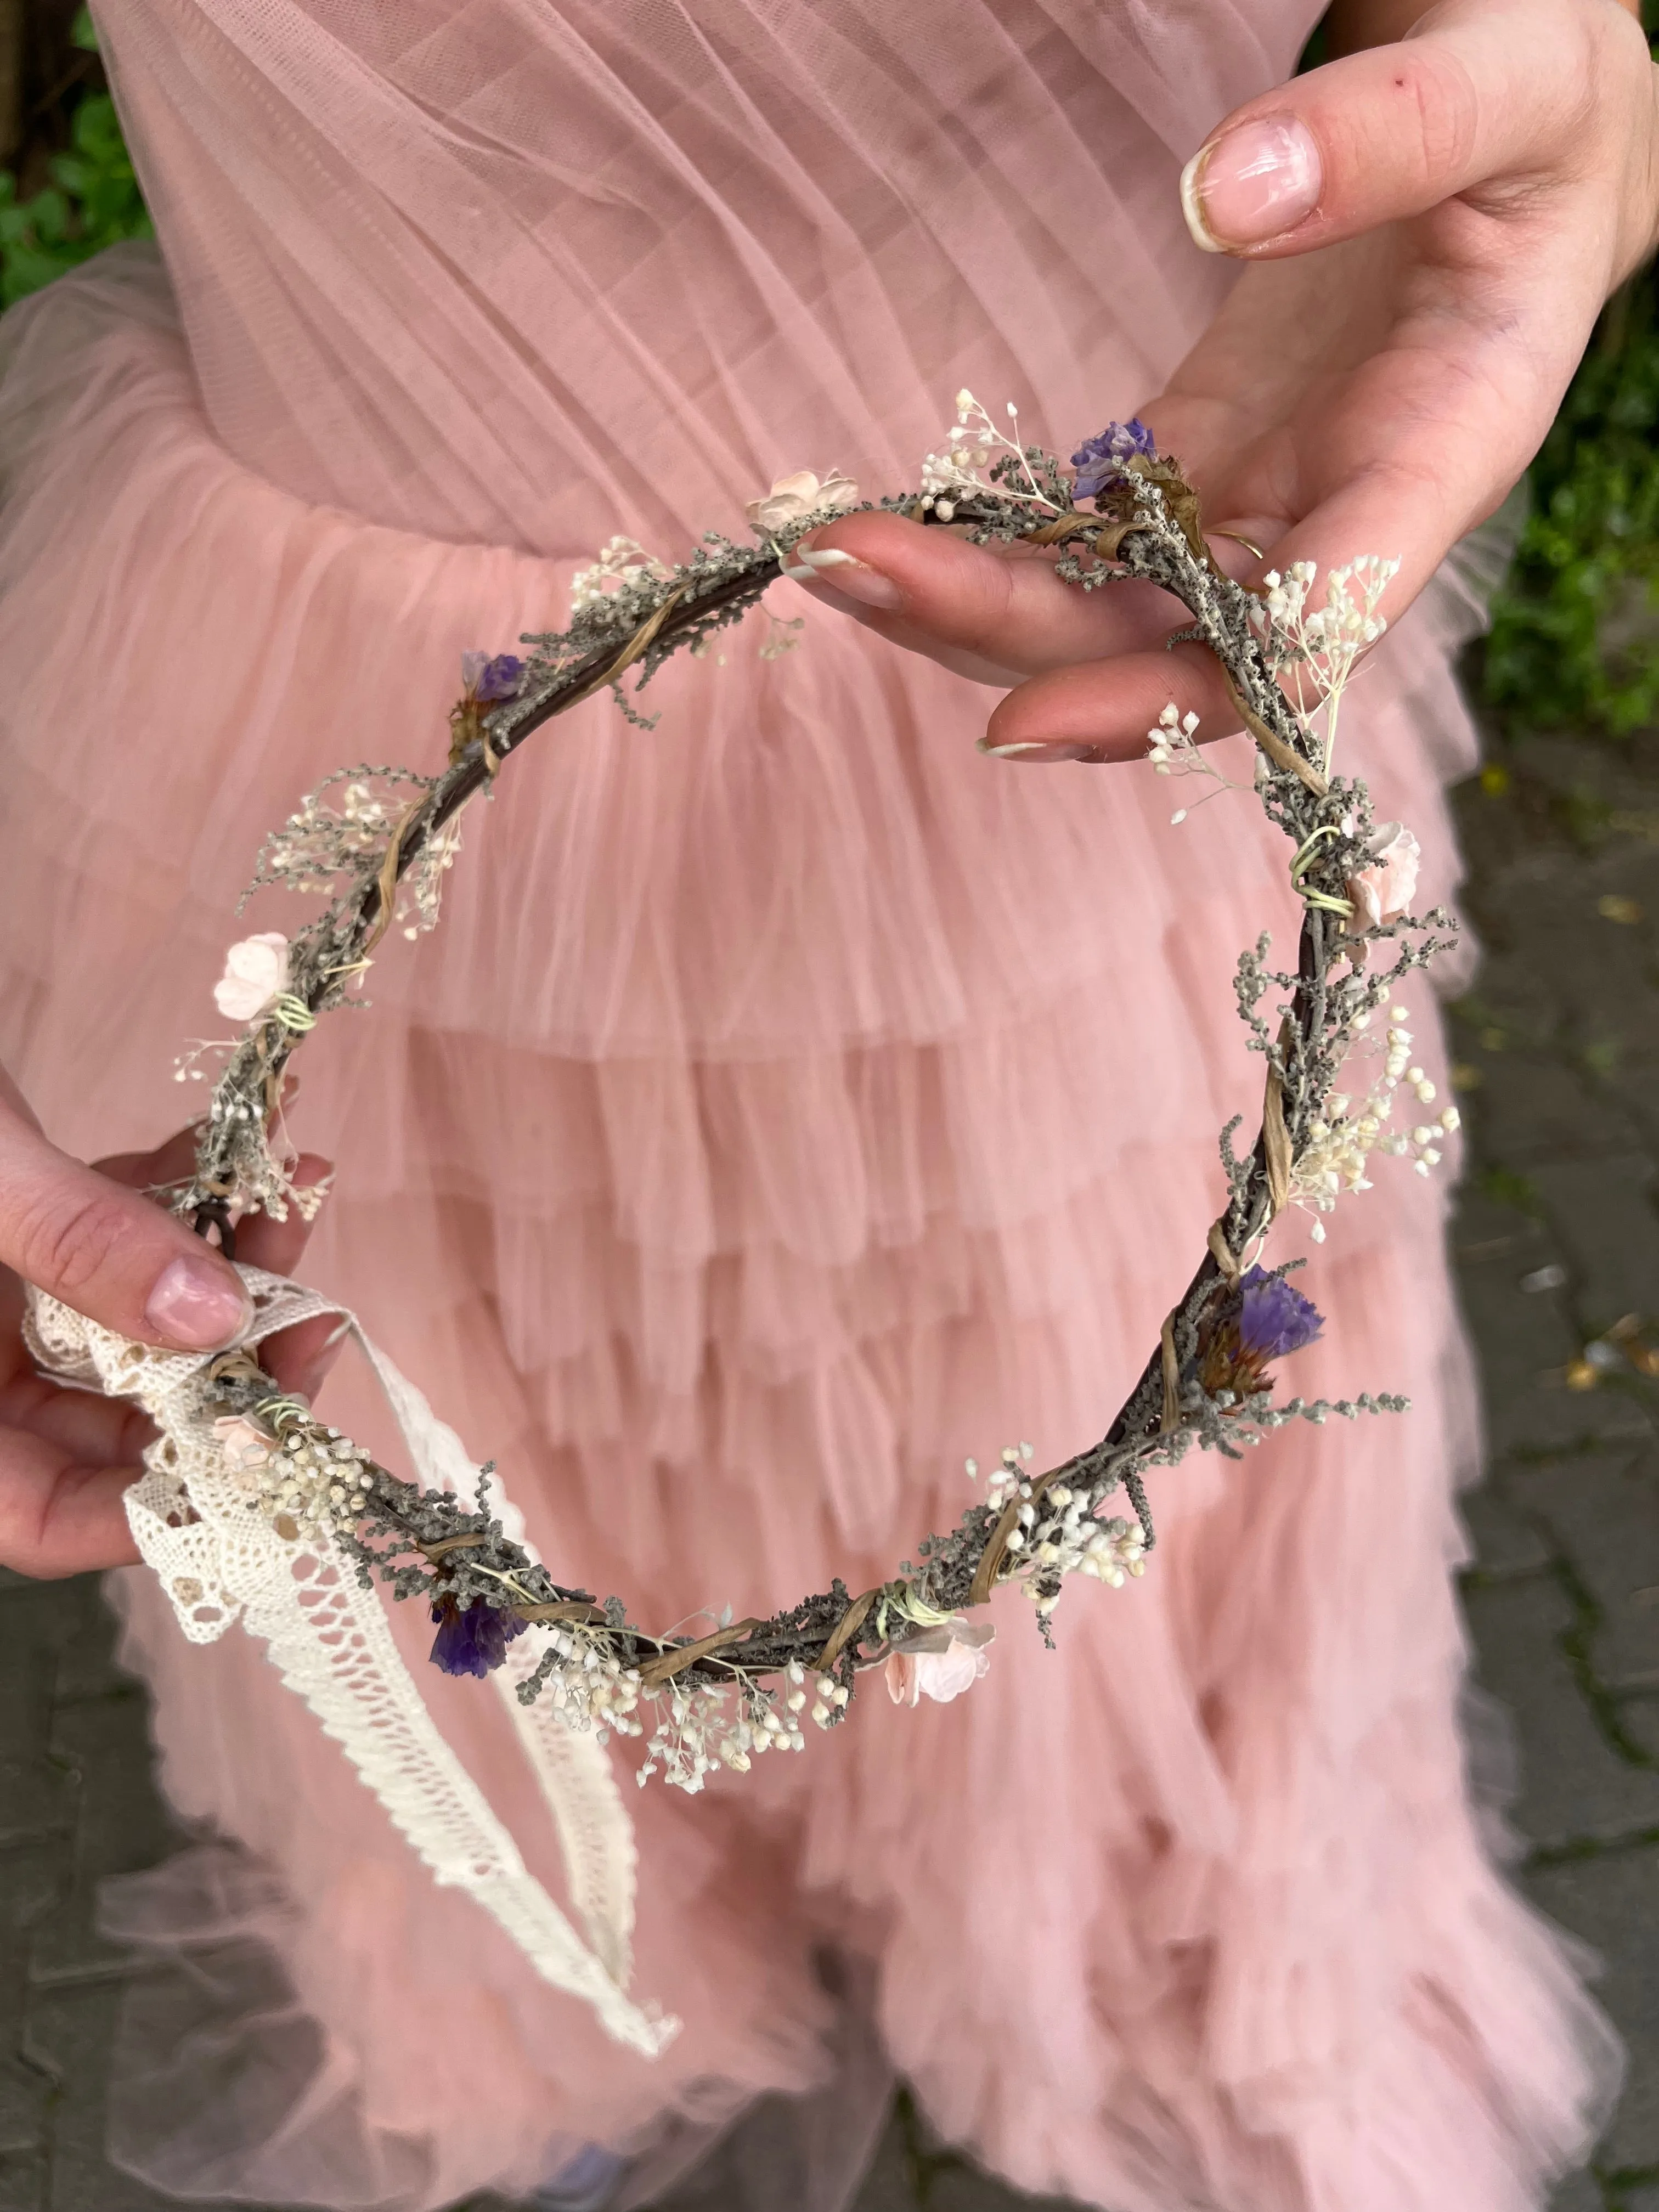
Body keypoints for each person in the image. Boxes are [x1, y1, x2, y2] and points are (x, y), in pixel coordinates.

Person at [0, 1, 1651, 2205]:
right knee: (425, 1386)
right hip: (338, 615)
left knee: (1109, 1399)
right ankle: (568, 1989)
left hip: (1115, 562)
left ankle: (1100, 1966)